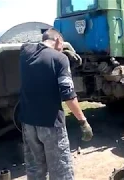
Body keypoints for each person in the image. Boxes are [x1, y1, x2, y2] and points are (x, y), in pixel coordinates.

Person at [18, 27, 93, 180]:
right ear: (58, 40)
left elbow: (36, 51)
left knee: (35, 170)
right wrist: (83, 122)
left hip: (28, 124)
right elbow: (68, 95)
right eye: (62, 45)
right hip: (51, 125)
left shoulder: (25, 53)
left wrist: (58, 53)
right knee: (61, 173)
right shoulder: (60, 59)